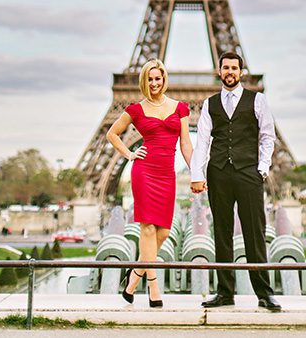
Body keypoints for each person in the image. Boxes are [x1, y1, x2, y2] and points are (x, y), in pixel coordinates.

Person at [190, 52, 281, 312]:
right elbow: (203, 142)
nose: (230, 71)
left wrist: (261, 169)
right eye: (225, 67)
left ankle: (264, 293)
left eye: (234, 67)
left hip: (248, 172)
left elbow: (267, 136)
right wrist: (197, 175)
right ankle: (225, 292)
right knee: (222, 233)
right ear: (219, 71)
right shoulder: (210, 104)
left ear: (240, 72)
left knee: (255, 233)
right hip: (219, 173)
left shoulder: (258, 100)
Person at [106, 59, 192, 308]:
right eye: (150, 79)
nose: (155, 83)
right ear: (145, 81)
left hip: (167, 173)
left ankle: (133, 277)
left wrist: (197, 171)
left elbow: (185, 143)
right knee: (147, 229)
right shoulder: (135, 109)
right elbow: (112, 133)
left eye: (158, 78)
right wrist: (129, 154)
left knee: (164, 232)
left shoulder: (180, 108)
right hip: (144, 171)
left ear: (164, 79)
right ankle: (154, 286)